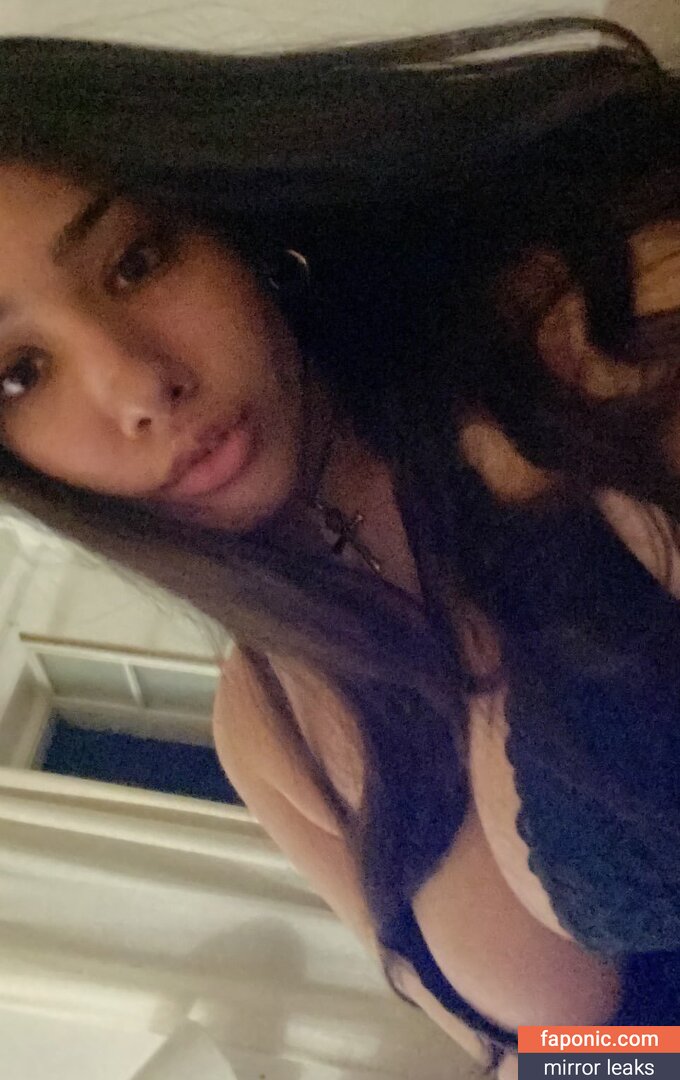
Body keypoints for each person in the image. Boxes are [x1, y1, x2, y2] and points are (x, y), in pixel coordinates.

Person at [0, 17, 679, 1076]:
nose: (138, 385)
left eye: (135, 261)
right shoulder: (265, 728)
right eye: (20, 373)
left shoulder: (559, 353)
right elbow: (541, 1053)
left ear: (226, 224)